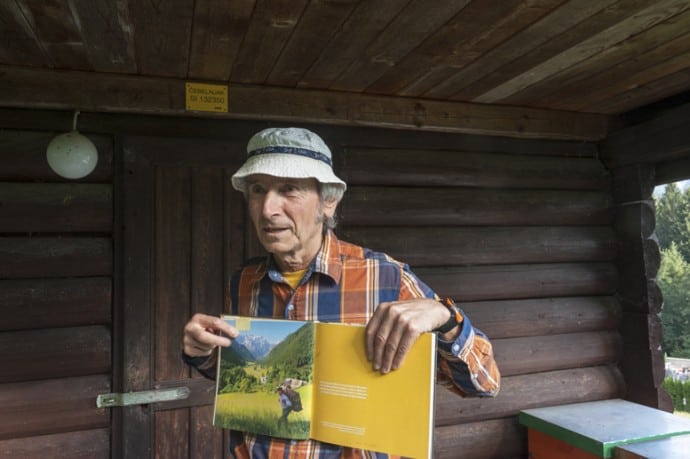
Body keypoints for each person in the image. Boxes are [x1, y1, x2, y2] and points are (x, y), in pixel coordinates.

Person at [182, 127, 501, 458]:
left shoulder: (386, 277)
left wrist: (445, 318)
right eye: (257, 190)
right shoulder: (243, 282)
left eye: (289, 190)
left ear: (329, 201)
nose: (267, 209)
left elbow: (484, 384)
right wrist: (202, 352)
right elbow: (239, 376)